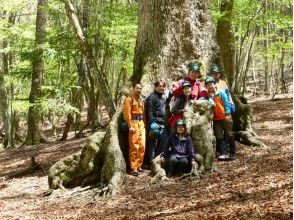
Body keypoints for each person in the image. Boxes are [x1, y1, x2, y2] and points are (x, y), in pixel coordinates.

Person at [205, 76, 236, 161]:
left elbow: (226, 104)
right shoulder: (207, 95)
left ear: (214, 84)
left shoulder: (221, 93)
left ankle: (232, 153)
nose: (210, 86)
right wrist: (210, 98)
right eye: (208, 85)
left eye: (211, 84)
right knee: (220, 136)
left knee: (229, 134)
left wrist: (228, 114)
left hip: (225, 116)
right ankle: (224, 153)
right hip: (216, 119)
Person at [123, 83, 146, 176]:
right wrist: (130, 125)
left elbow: (143, 114)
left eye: (140, 88)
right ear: (133, 89)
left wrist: (144, 125)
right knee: (134, 146)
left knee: (142, 145)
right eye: (137, 88)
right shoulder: (129, 99)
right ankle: (133, 168)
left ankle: (139, 166)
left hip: (141, 124)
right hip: (133, 123)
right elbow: (126, 113)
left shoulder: (141, 100)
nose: (139, 90)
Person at [145, 80, 169, 166]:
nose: (162, 88)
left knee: (164, 140)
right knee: (153, 143)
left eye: (163, 86)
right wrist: (152, 122)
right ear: (155, 87)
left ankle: (156, 159)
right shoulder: (152, 97)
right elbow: (149, 111)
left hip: (162, 123)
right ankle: (150, 162)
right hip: (154, 123)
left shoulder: (163, 98)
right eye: (160, 86)